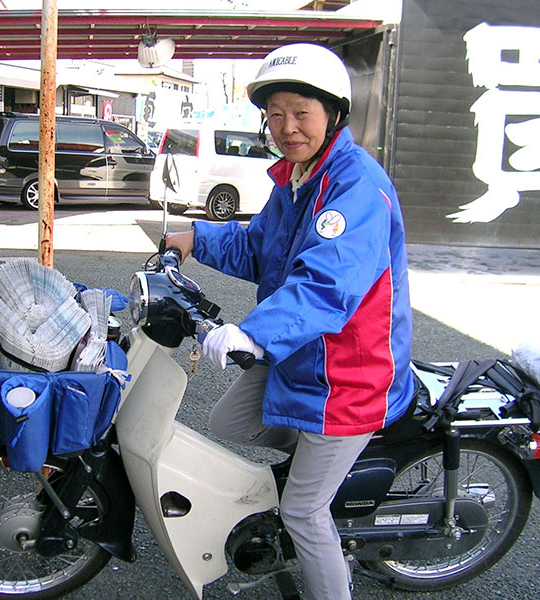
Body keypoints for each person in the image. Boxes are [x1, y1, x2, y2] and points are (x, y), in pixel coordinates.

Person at [166, 42, 415, 600]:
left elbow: (326, 282)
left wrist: (253, 334)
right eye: (276, 114)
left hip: (348, 375)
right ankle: (322, 467)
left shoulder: (355, 187)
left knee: (303, 511)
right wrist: (192, 239)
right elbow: (260, 248)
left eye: (302, 112)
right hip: (302, 357)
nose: (287, 126)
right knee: (229, 421)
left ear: (333, 114)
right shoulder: (297, 180)